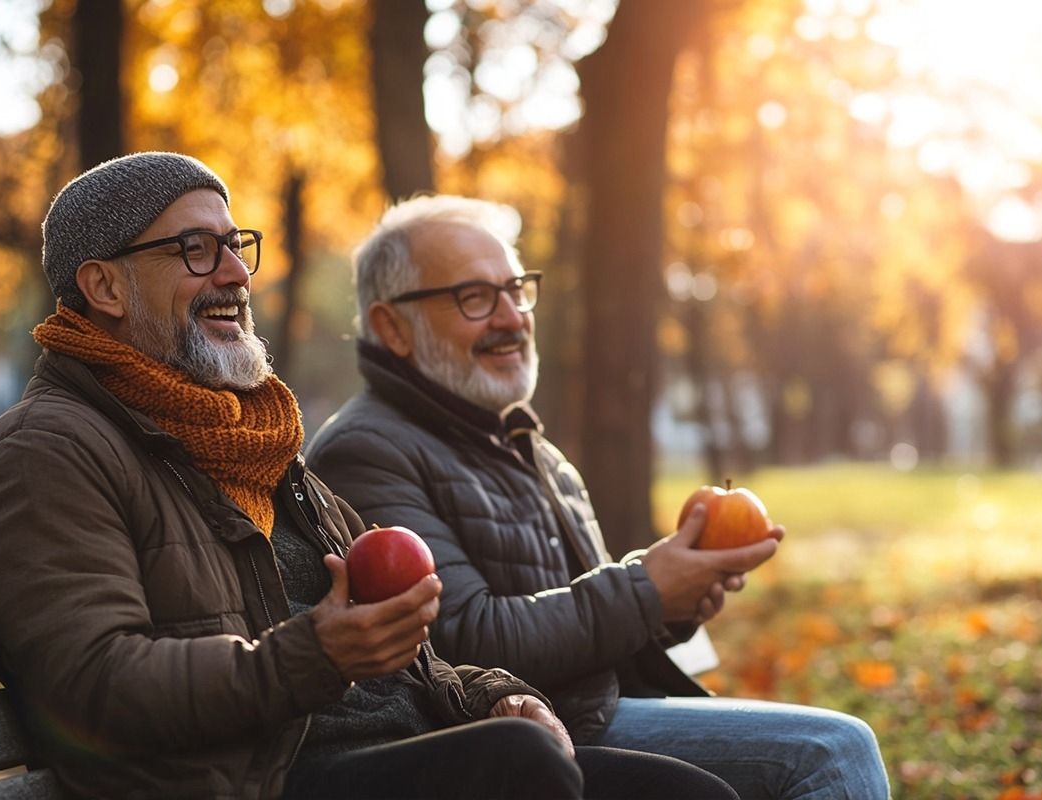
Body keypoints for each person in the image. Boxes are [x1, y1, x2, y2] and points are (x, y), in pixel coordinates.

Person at [0, 154, 741, 800]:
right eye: (196, 250)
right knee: (516, 769)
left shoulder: (251, 440)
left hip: (387, 752)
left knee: (688, 794)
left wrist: (487, 692)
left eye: (236, 245)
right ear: (104, 286)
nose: (235, 272)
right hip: (261, 780)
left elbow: (409, 649)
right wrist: (311, 657)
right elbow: (97, 684)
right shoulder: (49, 453)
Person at [306, 194, 894, 800]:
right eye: (475, 297)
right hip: (529, 739)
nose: (511, 316)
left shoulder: (521, 442)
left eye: (516, 289)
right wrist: (648, 587)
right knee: (832, 752)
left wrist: (672, 603)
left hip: (595, 707)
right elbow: (458, 638)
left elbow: (583, 619)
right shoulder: (366, 451)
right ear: (392, 327)